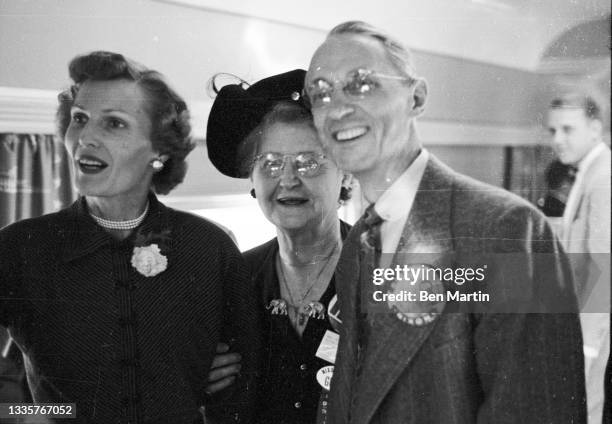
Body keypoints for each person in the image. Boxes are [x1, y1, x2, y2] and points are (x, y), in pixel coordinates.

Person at [305, 21, 586, 423]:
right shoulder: (359, 245)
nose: (337, 108)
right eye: (320, 93)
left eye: (362, 84)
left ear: (416, 98)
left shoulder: (507, 230)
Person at [0, 51, 259, 423]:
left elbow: (246, 383)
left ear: (158, 150)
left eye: (114, 124)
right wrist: (33, 414)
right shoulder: (19, 249)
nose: (86, 136)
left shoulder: (209, 247)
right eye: (79, 119)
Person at [205, 69, 352, 424]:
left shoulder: (395, 267)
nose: (288, 179)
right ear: (252, 180)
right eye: (270, 163)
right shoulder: (232, 279)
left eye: (309, 162)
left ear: (346, 172)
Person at [546, 92, 611, 424]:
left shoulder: (603, 178)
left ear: (596, 129)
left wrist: (585, 348)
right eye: (552, 131)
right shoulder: (588, 172)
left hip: (592, 333)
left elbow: (604, 268)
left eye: (567, 129)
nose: (557, 140)